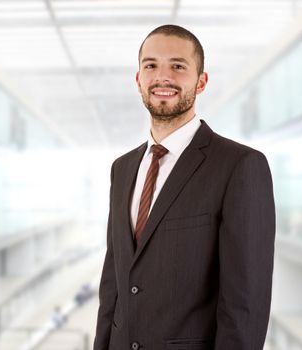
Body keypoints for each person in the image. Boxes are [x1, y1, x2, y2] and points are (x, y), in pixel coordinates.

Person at [93, 24, 275, 350]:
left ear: (201, 81)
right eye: (151, 66)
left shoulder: (240, 166)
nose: (163, 77)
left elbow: (245, 305)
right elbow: (113, 285)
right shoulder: (122, 169)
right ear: (138, 80)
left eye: (178, 66)